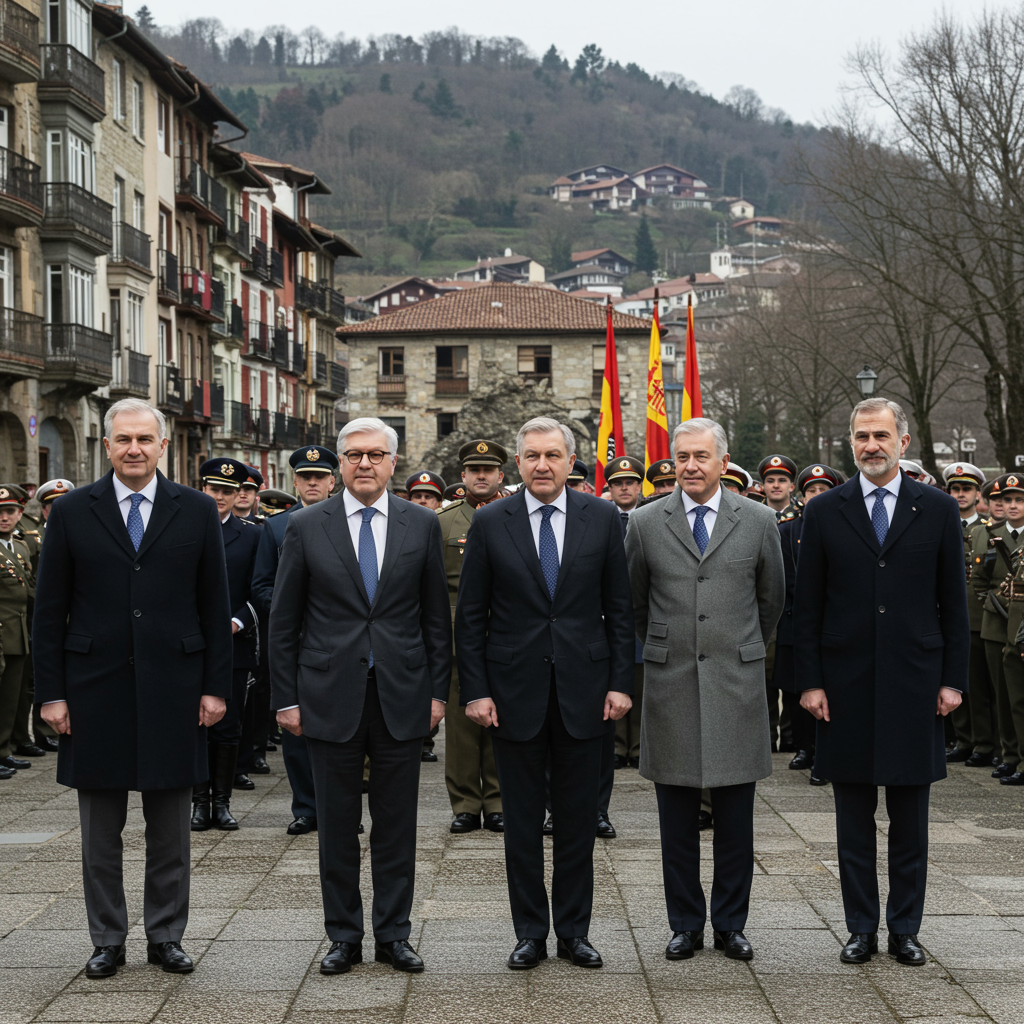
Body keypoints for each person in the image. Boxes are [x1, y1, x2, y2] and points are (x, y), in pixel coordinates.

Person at [32, 398, 232, 979]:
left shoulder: (196, 509)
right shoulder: (72, 511)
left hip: (176, 688)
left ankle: (166, 935)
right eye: (124, 439)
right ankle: (107, 938)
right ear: (108, 445)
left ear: (163, 446)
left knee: (170, 830)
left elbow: (213, 604)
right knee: (100, 832)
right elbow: (50, 612)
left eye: (145, 439)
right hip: (93, 690)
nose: (134, 449)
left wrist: (215, 688)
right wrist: (51, 694)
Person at [270, 417, 451, 977]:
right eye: (354, 455)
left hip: (402, 694)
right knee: (336, 826)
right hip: (328, 695)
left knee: (397, 826)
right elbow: (284, 621)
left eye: (375, 454)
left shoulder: (422, 523)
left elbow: (434, 617)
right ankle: (344, 936)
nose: (364, 463)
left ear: (393, 462)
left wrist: (438, 693)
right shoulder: (306, 524)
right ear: (340, 464)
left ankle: (395, 934)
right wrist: (286, 699)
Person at [794, 398, 969, 967]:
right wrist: (810, 681)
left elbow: (954, 603)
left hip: (917, 684)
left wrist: (953, 681)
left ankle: (905, 930)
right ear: (850, 442)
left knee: (910, 822)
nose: (871, 445)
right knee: (853, 822)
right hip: (844, 686)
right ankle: (861, 928)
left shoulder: (937, 508)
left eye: (881, 435)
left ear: (903, 441)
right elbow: (807, 606)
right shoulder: (825, 511)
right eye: (862, 436)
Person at [455, 416, 634, 971]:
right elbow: (471, 616)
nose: (542, 465)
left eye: (552, 455)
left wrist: (620, 683)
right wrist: (476, 691)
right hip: (514, 695)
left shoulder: (601, 517)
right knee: (522, 824)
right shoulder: (492, 522)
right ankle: (530, 932)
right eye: (531, 455)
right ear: (518, 463)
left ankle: (574, 932)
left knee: (578, 823)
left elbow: (620, 610)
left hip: (586, 692)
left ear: (570, 461)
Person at [625, 417, 784, 963]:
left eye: (701, 456)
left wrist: (740, 646)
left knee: (736, 818)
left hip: (737, 683)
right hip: (670, 683)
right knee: (676, 820)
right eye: (682, 457)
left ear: (723, 461)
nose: (690, 466)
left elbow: (772, 600)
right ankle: (685, 924)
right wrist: (665, 645)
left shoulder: (759, 520)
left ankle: (731, 924)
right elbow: (635, 601)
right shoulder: (645, 522)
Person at [251, 446, 338, 835]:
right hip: (296, 642)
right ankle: (306, 807)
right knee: (295, 726)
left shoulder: (349, 521)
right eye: (306, 477)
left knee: (342, 730)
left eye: (320, 477)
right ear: (295, 482)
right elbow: (261, 584)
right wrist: (293, 607)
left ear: (332, 481)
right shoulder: (275, 528)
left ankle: (341, 809)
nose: (312, 483)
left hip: (339, 640)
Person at [438, 439, 507, 835]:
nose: (481, 476)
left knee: (502, 720)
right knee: (462, 725)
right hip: (456, 638)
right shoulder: (443, 522)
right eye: (474, 470)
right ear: (463, 476)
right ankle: (465, 804)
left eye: (488, 470)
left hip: (506, 634)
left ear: (501, 475)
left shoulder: (514, 515)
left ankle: (497, 801)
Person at [190, 458, 261, 832]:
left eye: (228, 491)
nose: (220, 497)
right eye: (214, 489)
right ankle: (199, 803)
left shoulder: (252, 535)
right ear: (202, 489)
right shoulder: (183, 528)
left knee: (228, 725)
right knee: (194, 725)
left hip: (234, 643)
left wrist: (238, 620)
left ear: (239, 495)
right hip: (190, 644)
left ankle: (222, 803)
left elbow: (261, 589)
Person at [774, 464, 840, 784]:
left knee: (831, 691)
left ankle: (827, 753)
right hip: (794, 622)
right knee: (797, 690)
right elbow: (781, 579)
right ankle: (804, 747)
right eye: (811, 491)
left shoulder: (842, 526)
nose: (815, 496)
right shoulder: (787, 530)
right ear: (801, 496)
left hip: (833, 624)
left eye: (822, 490)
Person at [970, 474, 1023, 779]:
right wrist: (992, 604)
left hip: (1022, 621)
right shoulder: (988, 534)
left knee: (1019, 694)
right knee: (1002, 693)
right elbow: (978, 580)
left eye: (1018, 500)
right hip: (995, 620)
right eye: (1006, 500)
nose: (1011, 506)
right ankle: (1009, 754)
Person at [942, 463, 989, 765]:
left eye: (967, 489)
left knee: (980, 686)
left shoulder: (989, 528)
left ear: (977, 494)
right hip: (946, 616)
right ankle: (962, 739)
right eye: (955, 489)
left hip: (980, 616)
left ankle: (984, 742)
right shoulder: (939, 523)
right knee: (953, 680)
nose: (961, 494)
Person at [607, 456, 646, 786]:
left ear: (638, 486)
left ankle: (640, 746)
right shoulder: (601, 519)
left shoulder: (649, 519)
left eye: (629, 482)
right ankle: (618, 747)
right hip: (609, 615)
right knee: (615, 681)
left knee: (642, 685)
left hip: (642, 614)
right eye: (617, 483)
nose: (624, 488)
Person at [0, 486, 33, 776]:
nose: (4, 517)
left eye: (9, 511)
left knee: (12, 698)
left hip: (18, 632)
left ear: (20, 514)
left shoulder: (20, 548)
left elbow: (28, 589)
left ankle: (4, 749)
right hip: (2, 633)